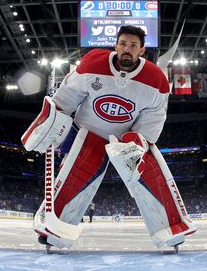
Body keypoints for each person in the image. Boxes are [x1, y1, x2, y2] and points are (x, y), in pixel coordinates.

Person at [21, 25, 196, 250]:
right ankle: (55, 230)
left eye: (133, 45)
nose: (127, 49)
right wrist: (53, 119)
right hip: (89, 134)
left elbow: (153, 118)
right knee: (73, 176)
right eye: (123, 43)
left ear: (142, 50)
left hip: (126, 141)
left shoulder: (156, 80)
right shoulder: (93, 63)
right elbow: (67, 98)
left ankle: (170, 227)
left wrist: (139, 139)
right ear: (116, 45)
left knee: (150, 168)